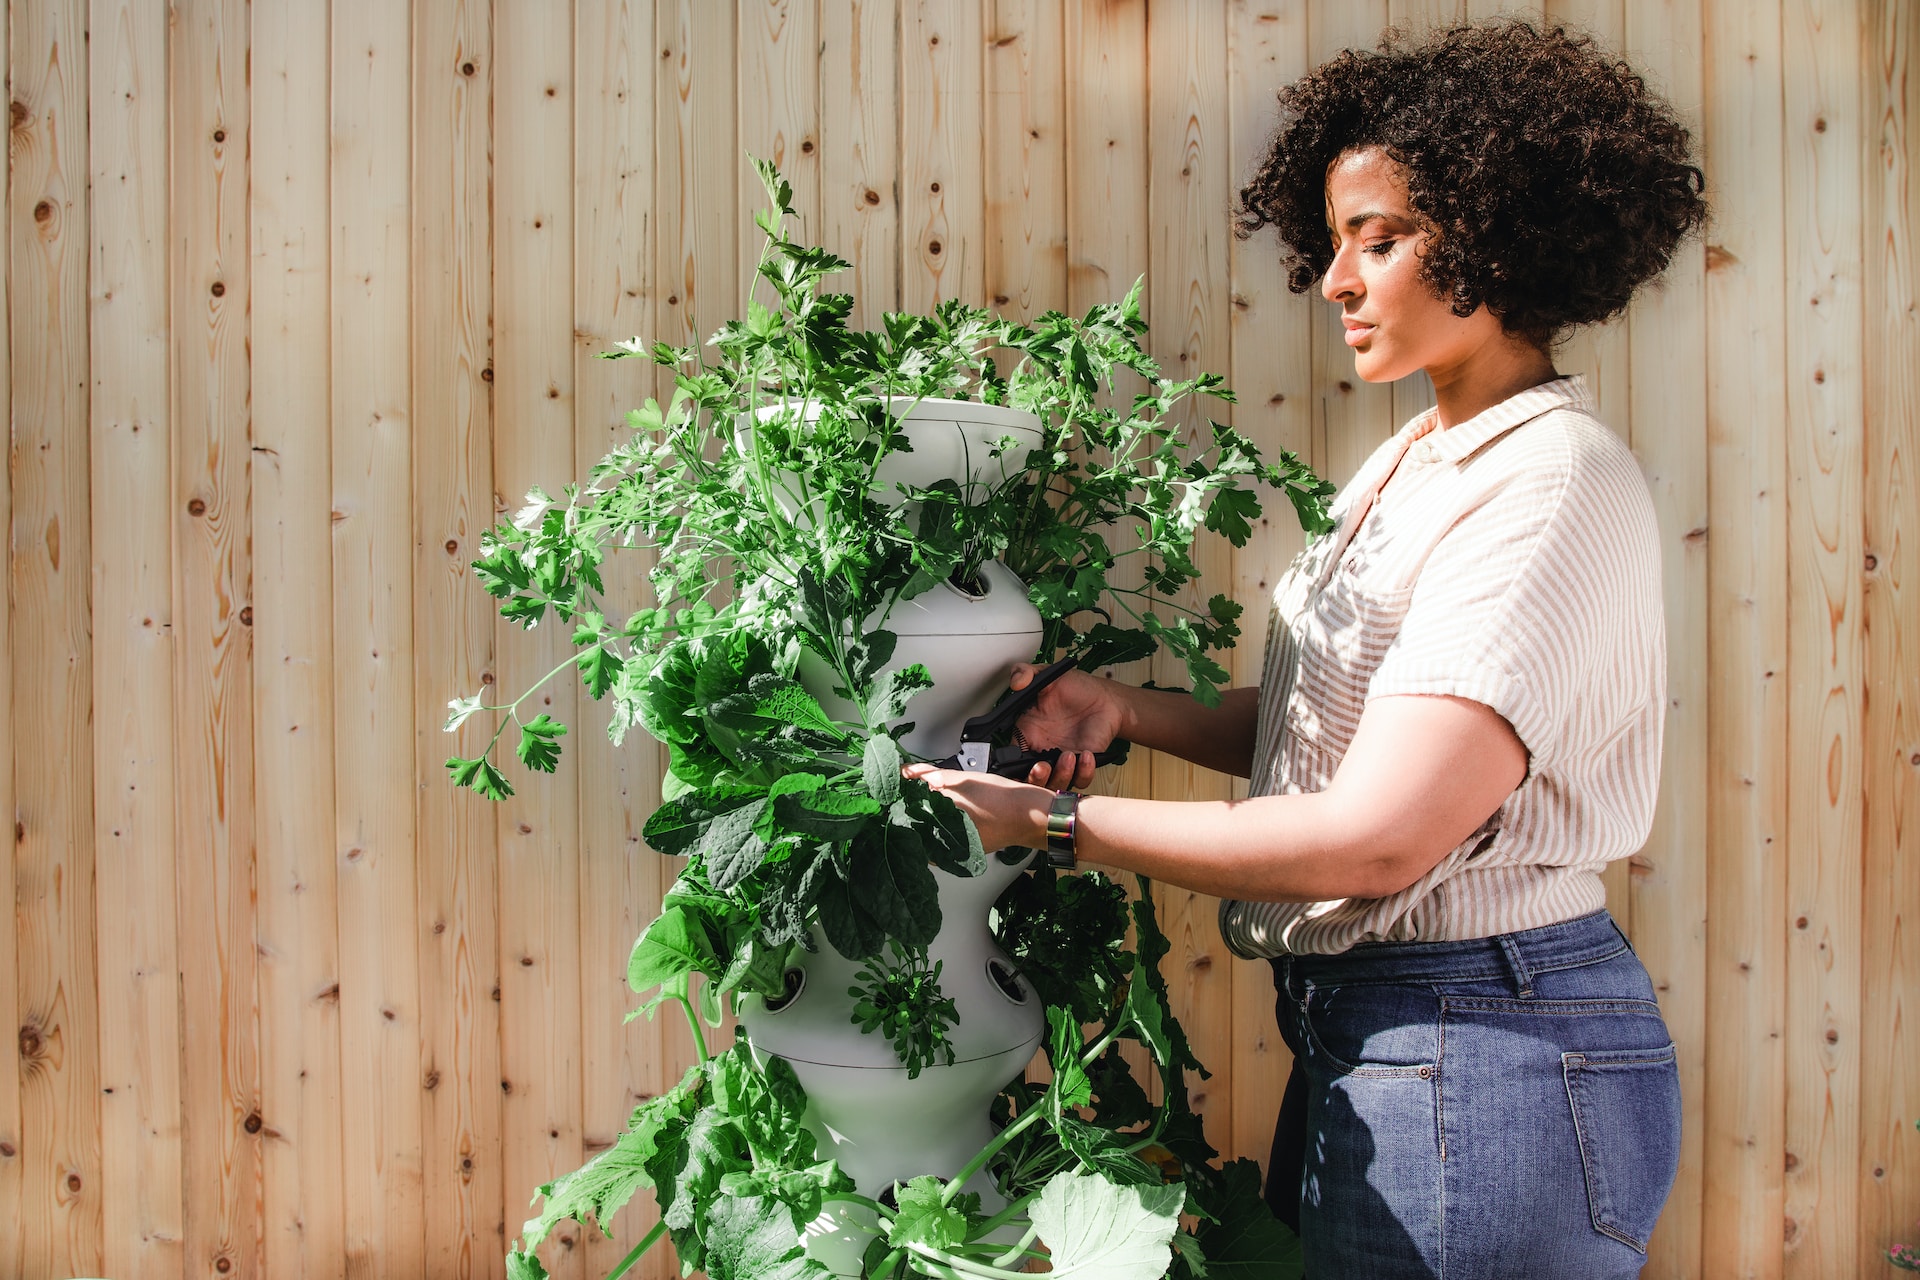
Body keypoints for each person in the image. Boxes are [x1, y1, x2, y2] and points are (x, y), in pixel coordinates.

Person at [902, 19, 1707, 1279]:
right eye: (1333, 241)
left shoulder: (1546, 484)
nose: (1335, 280)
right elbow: (1341, 728)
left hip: (1481, 1048)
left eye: (1379, 241)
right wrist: (1126, 709)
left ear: (1502, 232)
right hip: (1395, 1035)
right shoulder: (1417, 462)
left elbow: (1380, 833)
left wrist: (1052, 828)